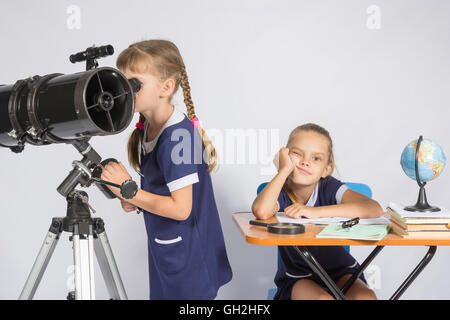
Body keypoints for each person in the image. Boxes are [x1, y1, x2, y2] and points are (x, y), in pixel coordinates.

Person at [100, 39, 232, 299]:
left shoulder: (177, 137)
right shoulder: (148, 127)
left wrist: (131, 192)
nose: (123, 91)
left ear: (166, 87)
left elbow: (181, 209)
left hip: (190, 257)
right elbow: (162, 189)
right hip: (168, 250)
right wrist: (134, 200)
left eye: (134, 83)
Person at [252, 123, 383, 300]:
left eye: (316, 158)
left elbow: (374, 208)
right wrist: (283, 170)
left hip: (340, 271)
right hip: (298, 277)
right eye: (297, 153)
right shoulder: (278, 191)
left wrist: (316, 212)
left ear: (327, 169)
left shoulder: (330, 188)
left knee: (365, 298)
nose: (305, 161)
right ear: (284, 156)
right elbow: (261, 210)